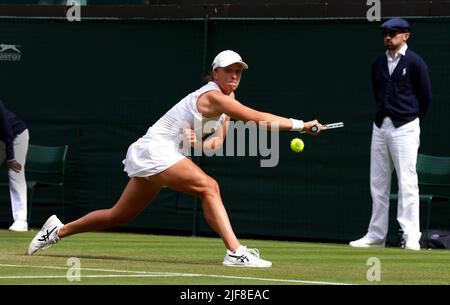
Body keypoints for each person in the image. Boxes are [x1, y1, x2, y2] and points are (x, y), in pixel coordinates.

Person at [27, 50, 323, 267]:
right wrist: (300, 125)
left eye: (239, 71)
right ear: (214, 74)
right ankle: (235, 252)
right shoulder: (213, 97)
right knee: (210, 186)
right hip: (155, 149)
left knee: (120, 215)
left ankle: (57, 230)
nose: (235, 75)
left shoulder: (227, 103)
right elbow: (258, 119)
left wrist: (199, 142)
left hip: (163, 153)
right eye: (229, 70)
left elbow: (215, 143)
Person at [350, 18, 432, 251]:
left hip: (405, 126)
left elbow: (425, 98)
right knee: (378, 183)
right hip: (381, 126)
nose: (388, 37)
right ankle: (376, 235)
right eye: (385, 33)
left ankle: (410, 236)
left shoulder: (416, 63)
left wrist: (411, 121)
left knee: (407, 182)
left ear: (405, 36)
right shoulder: (378, 62)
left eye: (394, 33)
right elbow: (378, 91)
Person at [0, 99, 29, 232]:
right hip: (2, 139)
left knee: (15, 174)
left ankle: (21, 220)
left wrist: (11, 158)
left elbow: (7, 130)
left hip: (16, 135)